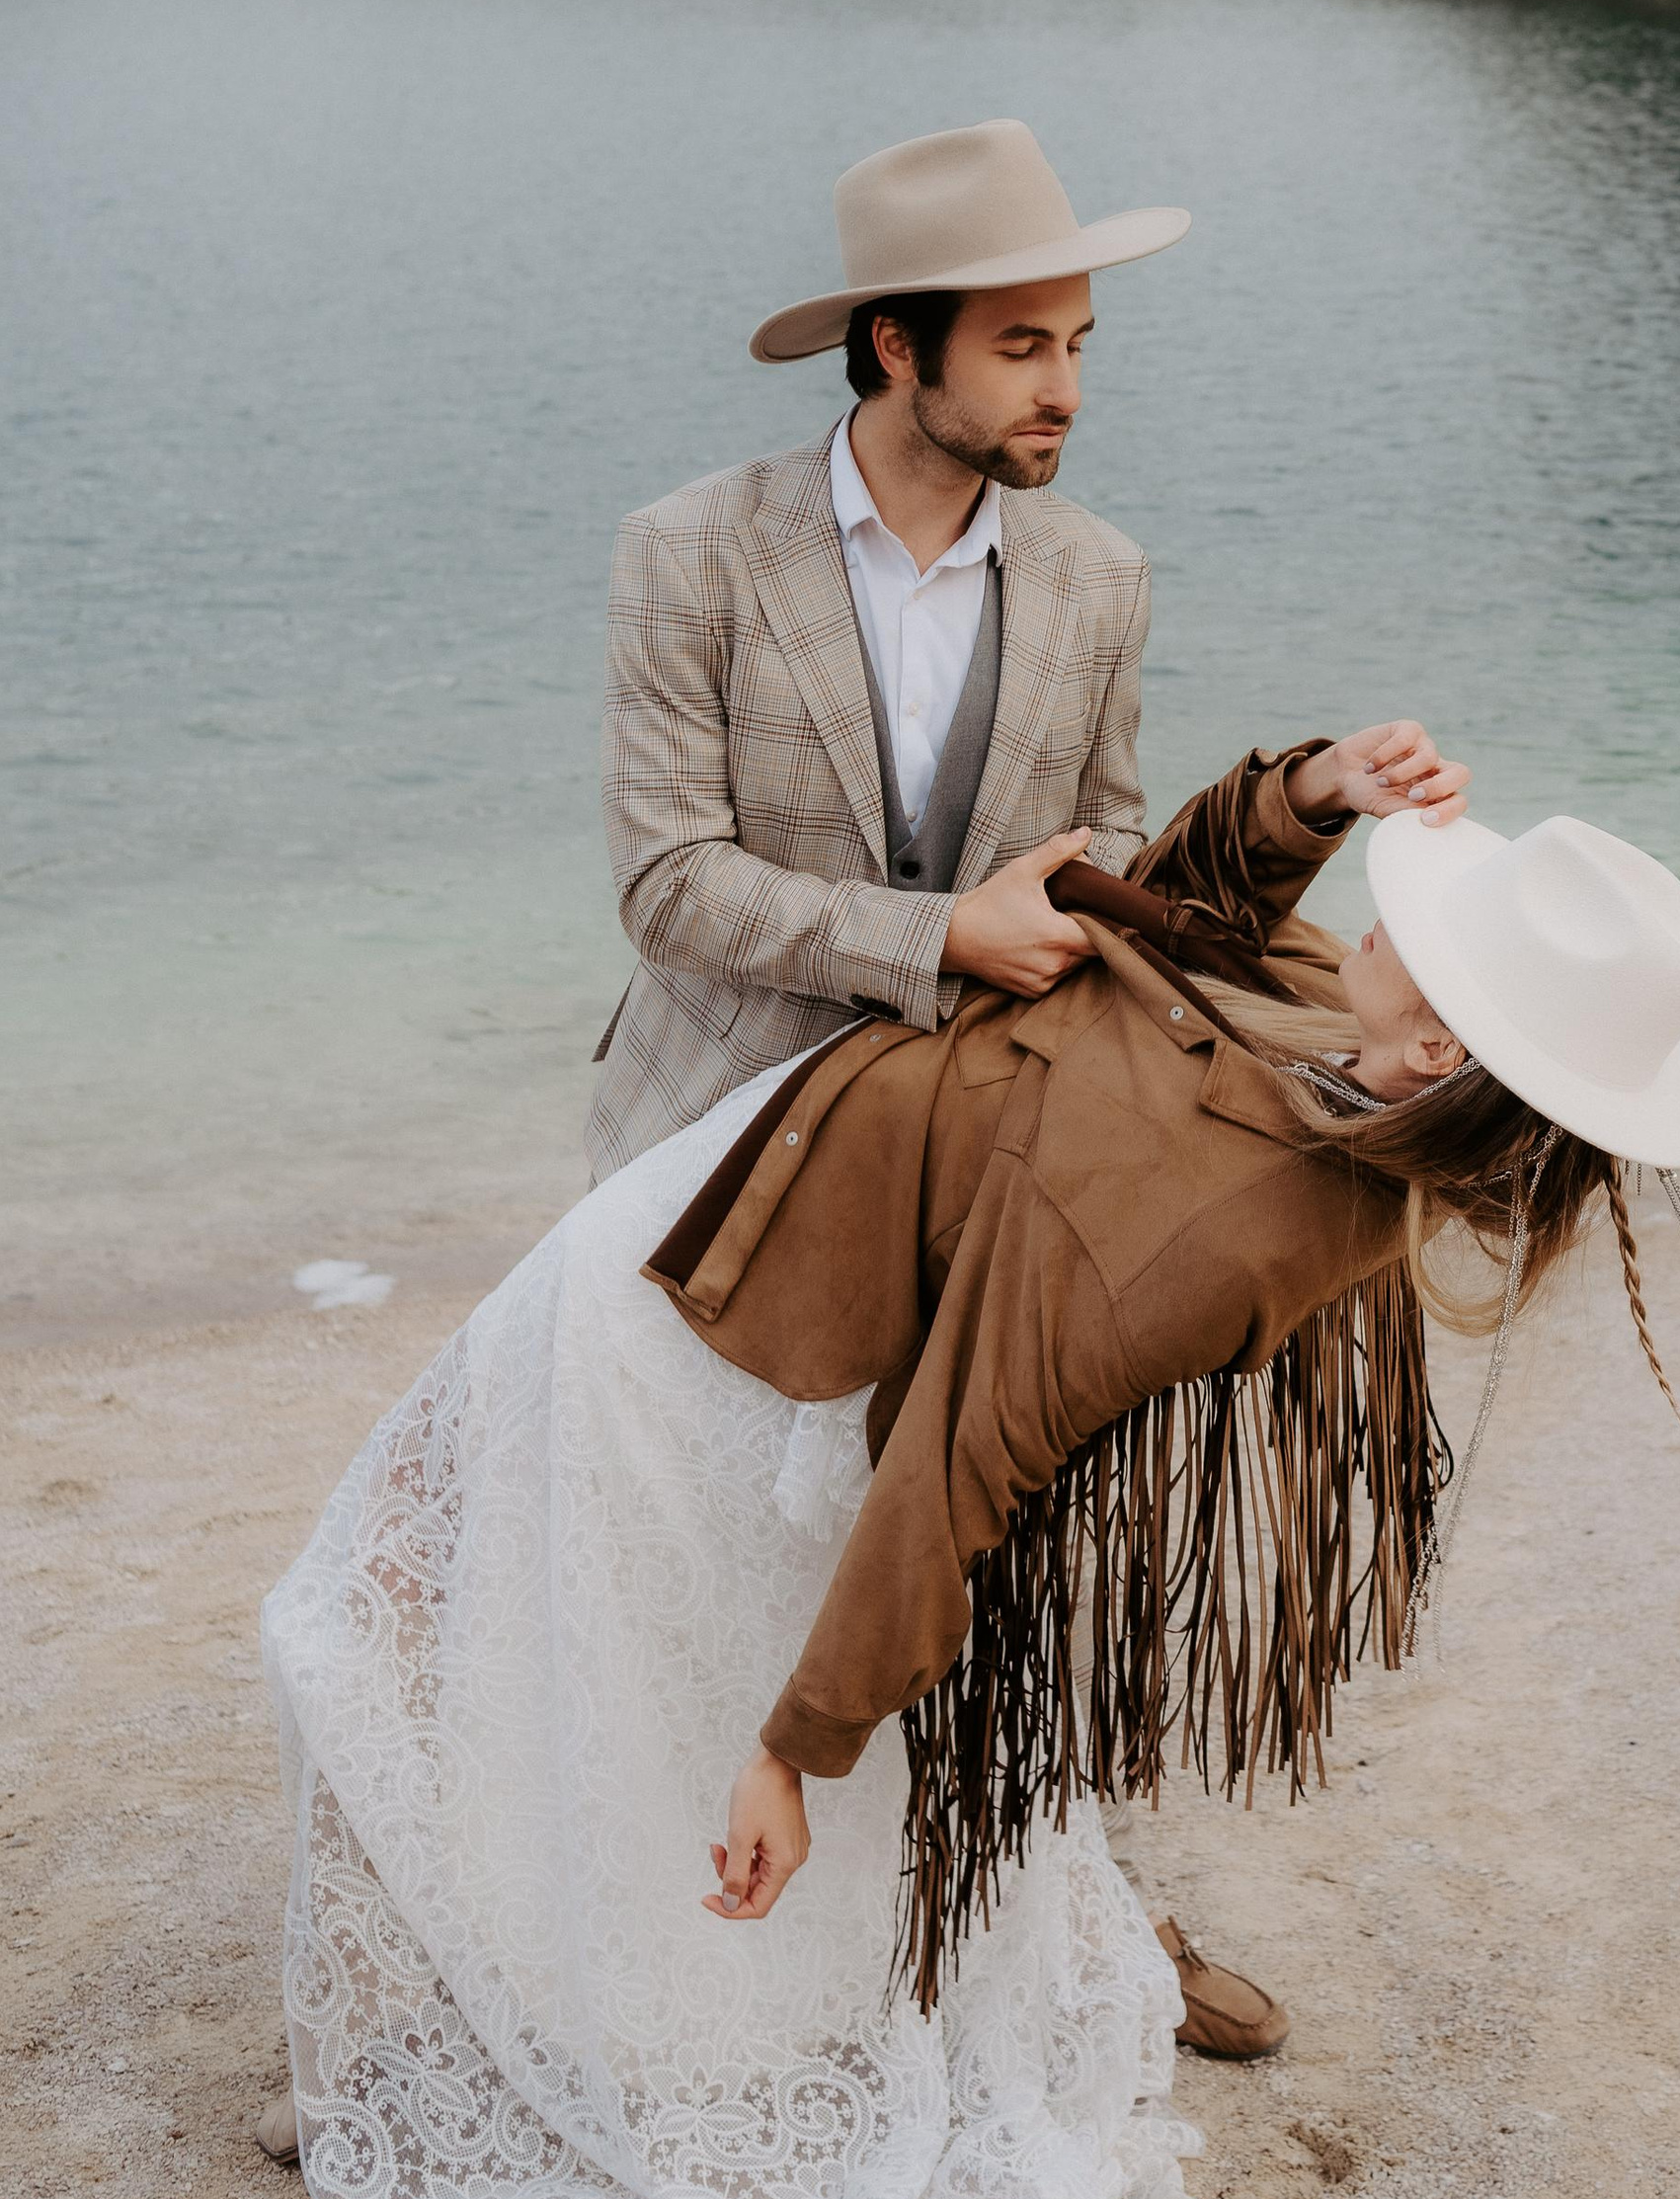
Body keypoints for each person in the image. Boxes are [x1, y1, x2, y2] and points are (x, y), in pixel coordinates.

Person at [259, 727, 1680, 2199]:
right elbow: (1200, 914)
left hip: (706, 1318)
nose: (1386, 917)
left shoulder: (1206, 1236)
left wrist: (796, 1751)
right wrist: (1312, 795)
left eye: (1428, 935)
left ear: (1442, 1039)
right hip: (752, 1182)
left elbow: (961, 1461)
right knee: (504, 1610)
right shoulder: (1347, 1037)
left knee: (374, 1603)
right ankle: (502, 2016)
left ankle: (477, 2046)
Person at [586, 111, 1389, 2060]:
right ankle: (626, 1946)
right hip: (721, 1121)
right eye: (1025, 346)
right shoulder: (688, 554)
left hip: (1006, 1141)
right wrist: (933, 938)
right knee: (679, 1554)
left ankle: (1088, 1916)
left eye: (1083, 344)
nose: (1067, 388)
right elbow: (666, 888)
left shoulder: (1099, 577)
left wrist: (1295, 818)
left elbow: (1104, 882)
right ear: (896, 349)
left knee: (1047, 1511)